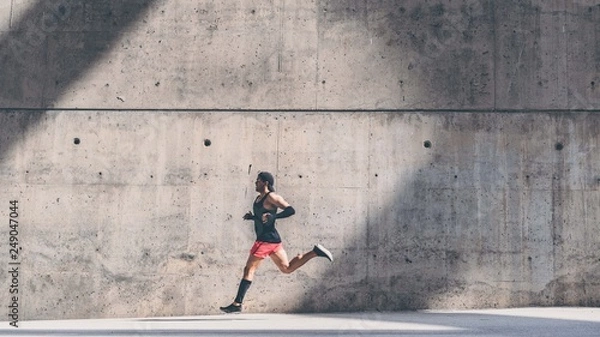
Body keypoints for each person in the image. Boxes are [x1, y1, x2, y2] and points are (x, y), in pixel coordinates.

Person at [219, 171, 333, 313]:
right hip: (273, 240)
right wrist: (253, 217)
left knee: (249, 270)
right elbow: (264, 218)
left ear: (265, 183)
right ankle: (315, 252)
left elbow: (291, 210)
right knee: (287, 268)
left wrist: (275, 217)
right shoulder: (258, 198)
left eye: (258, 180)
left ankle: (237, 303)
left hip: (265, 241)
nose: (255, 182)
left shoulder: (271, 197)